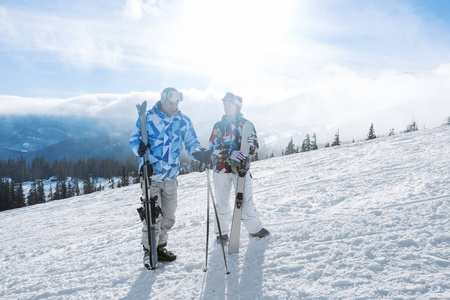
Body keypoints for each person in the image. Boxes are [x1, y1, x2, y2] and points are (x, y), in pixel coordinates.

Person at [130, 87, 211, 268]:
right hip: (151, 175)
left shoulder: (182, 120)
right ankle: (149, 252)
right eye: (171, 103)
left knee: (168, 217)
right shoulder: (148, 118)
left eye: (176, 104)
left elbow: (191, 142)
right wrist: (139, 150)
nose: (174, 107)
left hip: (171, 177)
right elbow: (134, 140)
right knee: (152, 217)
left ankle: (160, 248)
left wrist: (198, 153)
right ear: (163, 100)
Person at [208, 92, 270, 245]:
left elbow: (255, 147)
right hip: (221, 169)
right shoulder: (218, 126)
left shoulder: (247, 125)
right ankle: (221, 233)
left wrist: (251, 146)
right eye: (224, 105)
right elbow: (213, 147)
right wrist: (229, 153)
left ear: (237, 106)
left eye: (229, 104)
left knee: (246, 201)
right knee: (222, 203)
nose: (226, 107)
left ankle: (254, 229)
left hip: (241, 170)